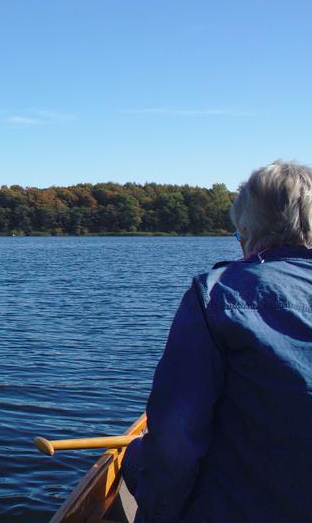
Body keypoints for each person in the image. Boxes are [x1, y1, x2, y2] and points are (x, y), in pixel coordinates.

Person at [122, 161, 312, 522]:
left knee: (141, 462)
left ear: (247, 228)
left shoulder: (218, 293)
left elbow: (177, 441)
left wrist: (151, 500)